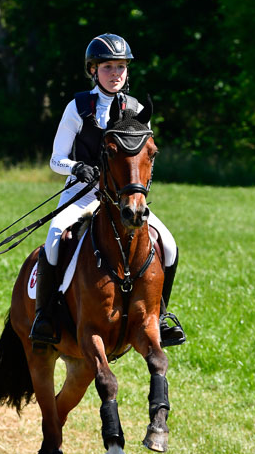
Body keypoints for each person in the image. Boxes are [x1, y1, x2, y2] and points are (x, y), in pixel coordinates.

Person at [30, 33, 185, 348]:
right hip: (83, 193)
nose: (115, 74)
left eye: (121, 67)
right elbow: (56, 159)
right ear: (93, 70)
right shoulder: (78, 107)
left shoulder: (137, 108)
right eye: (108, 67)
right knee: (55, 235)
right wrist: (77, 167)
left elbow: (144, 155)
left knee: (168, 245)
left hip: (123, 197)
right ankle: (44, 316)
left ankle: (162, 315)